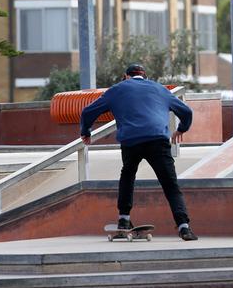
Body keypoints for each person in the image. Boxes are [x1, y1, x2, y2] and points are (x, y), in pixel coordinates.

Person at [80, 64, 198, 241]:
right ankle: (184, 227)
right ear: (145, 76)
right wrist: (181, 129)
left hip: (131, 140)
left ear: (125, 76)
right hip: (158, 139)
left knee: (128, 175)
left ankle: (124, 220)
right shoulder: (160, 89)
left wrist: (85, 132)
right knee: (170, 184)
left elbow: (88, 111)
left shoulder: (116, 90)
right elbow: (186, 111)